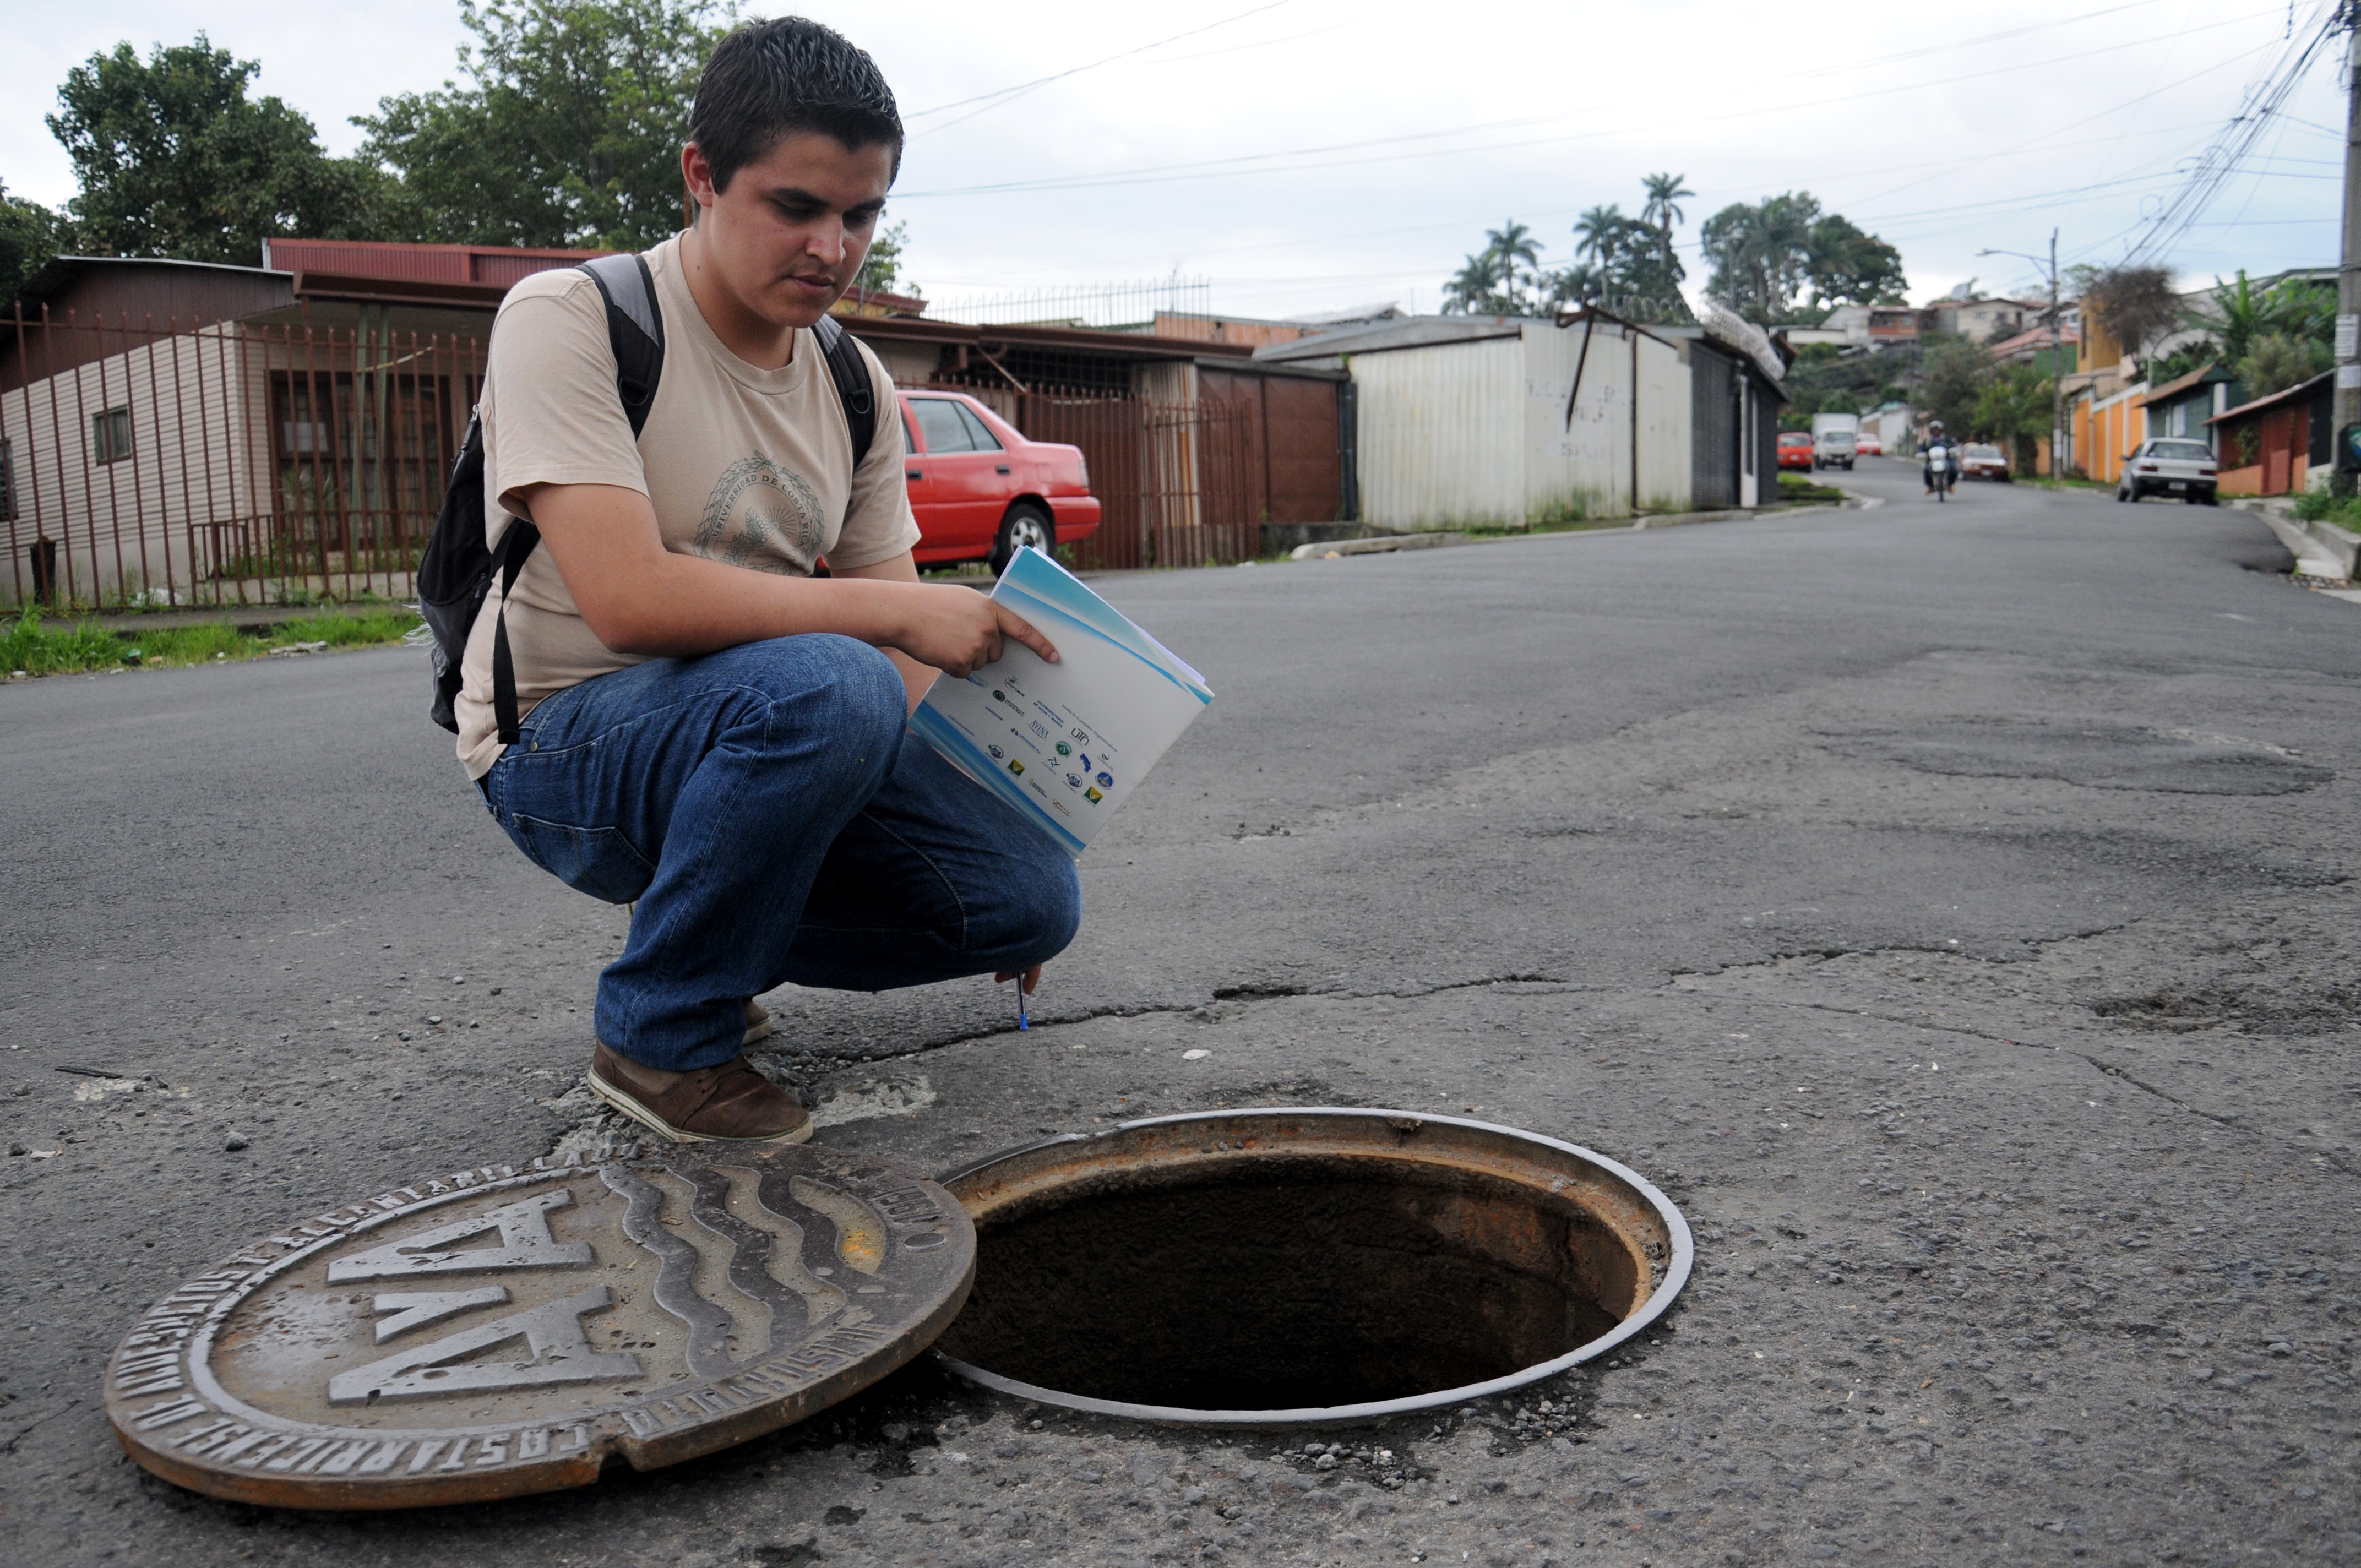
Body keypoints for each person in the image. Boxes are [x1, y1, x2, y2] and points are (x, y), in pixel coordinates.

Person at [454, 17, 1080, 1146]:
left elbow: (901, 669)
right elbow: (629, 600)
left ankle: (703, 924)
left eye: (862, 214)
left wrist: (986, 828)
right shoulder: (574, 319)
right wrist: (893, 610)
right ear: (701, 176)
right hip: (562, 746)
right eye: (796, 207)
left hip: (762, 723)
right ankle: (660, 1029)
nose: (834, 247)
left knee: (1031, 896)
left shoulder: (852, 381)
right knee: (826, 682)